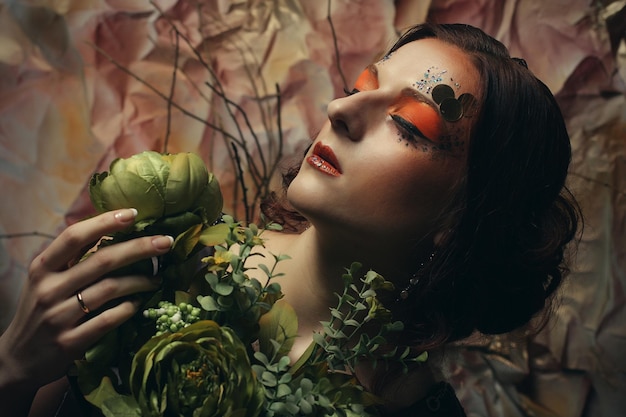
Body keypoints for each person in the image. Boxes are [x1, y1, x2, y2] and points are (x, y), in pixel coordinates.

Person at [0, 22, 580, 417]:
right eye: (361, 87)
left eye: (409, 125)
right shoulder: (164, 257)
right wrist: (12, 368)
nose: (342, 110)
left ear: (464, 217)